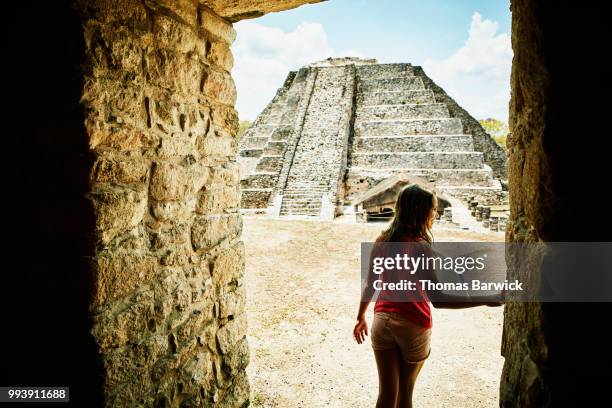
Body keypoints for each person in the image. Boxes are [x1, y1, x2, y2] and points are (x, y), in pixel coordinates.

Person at [353, 184, 503, 408]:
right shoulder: (421, 247)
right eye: (433, 209)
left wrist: (360, 317)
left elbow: (371, 284)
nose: (435, 213)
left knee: (386, 394)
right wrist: (487, 298)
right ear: (421, 211)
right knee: (405, 392)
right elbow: (439, 299)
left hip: (382, 322)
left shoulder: (382, 240)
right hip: (413, 324)